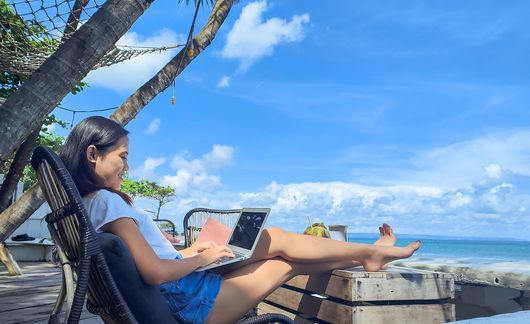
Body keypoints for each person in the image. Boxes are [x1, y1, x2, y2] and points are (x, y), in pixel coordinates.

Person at [60, 116, 421, 324]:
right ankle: (366, 255)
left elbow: (149, 264)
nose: (126, 166)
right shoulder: (108, 203)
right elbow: (154, 273)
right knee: (283, 258)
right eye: (122, 156)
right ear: (93, 154)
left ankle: (365, 256)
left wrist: (193, 252)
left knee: (274, 240)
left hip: (176, 291)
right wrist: (203, 258)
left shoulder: (92, 205)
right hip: (183, 304)